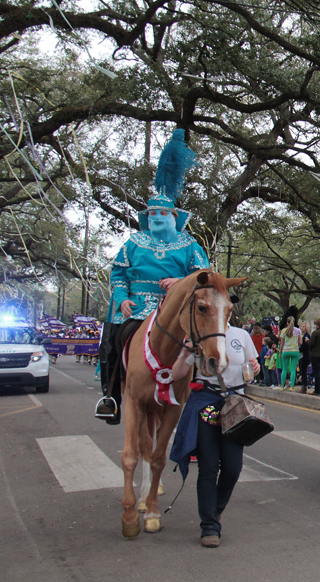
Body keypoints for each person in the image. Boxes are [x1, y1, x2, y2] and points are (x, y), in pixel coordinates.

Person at [95, 129, 210, 424]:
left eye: (163, 212)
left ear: (174, 217)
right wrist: (120, 298)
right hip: (135, 305)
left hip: (174, 306)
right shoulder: (133, 243)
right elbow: (118, 272)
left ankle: (202, 388)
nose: (157, 215)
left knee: (202, 340)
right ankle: (111, 396)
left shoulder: (190, 245)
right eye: (152, 212)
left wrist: (180, 283)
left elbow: (204, 275)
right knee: (114, 341)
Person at [169, 321, 260, 548]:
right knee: (208, 467)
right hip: (206, 402)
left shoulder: (241, 335)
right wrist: (184, 352)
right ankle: (209, 525)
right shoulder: (199, 336)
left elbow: (253, 366)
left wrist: (255, 368)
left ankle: (216, 508)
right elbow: (176, 373)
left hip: (234, 406)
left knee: (232, 467)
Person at [278, 316, 301, 390]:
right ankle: (292, 387)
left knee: (284, 369)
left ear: (287, 322)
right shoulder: (298, 331)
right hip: (295, 351)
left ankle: (282, 386)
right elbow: (300, 342)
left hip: (286, 351)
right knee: (293, 370)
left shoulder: (283, 331)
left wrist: (280, 352)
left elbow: (282, 343)